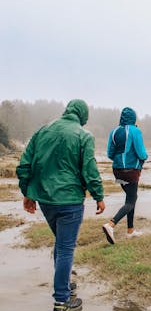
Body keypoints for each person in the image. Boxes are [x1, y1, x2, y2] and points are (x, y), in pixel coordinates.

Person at [16, 99, 105, 311]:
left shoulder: (43, 131)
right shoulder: (84, 136)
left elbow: (25, 164)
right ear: (83, 116)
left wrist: (28, 193)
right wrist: (98, 195)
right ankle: (63, 300)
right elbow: (89, 170)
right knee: (65, 248)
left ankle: (64, 285)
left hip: (46, 200)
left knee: (61, 243)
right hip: (70, 201)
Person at [102, 107, 148, 244]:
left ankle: (130, 230)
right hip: (131, 171)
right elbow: (141, 153)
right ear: (133, 118)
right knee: (131, 200)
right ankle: (111, 225)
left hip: (117, 171)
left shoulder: (114, 132)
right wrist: (145, 157)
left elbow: (110, 154)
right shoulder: (135, 131)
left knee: (130, 197)